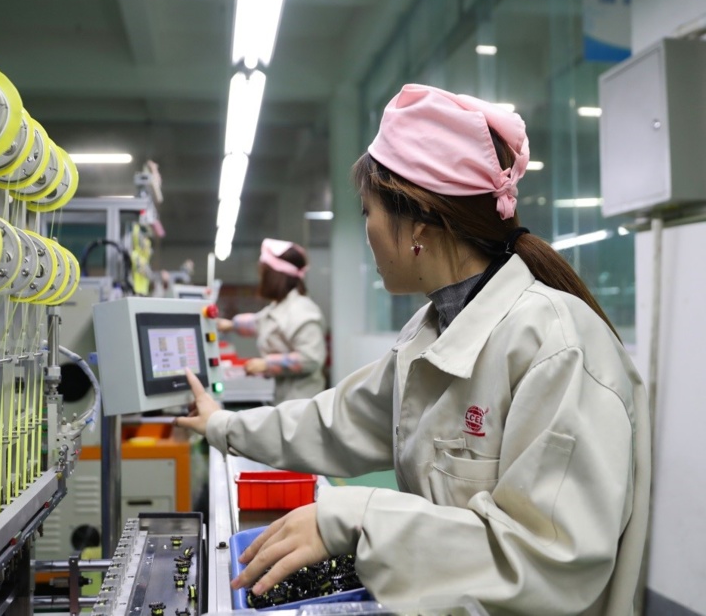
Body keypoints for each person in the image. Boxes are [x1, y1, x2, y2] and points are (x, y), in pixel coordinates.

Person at [177, 84, 650, 615]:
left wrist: (356, 519)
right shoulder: (431, 332)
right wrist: (222, 425)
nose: (368, 232)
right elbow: (335, 421)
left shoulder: (556, 348)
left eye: (367, 213)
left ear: (419, 222)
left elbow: (545, 565)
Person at [217, 238, 327, 403]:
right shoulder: (280, 306)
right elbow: (259, 322)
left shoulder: (302, 311)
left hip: (301, 404)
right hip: (284, 399)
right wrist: (230, 325)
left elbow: (310, 359)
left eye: (264, 273)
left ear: (275, 276)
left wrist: (266, 364)